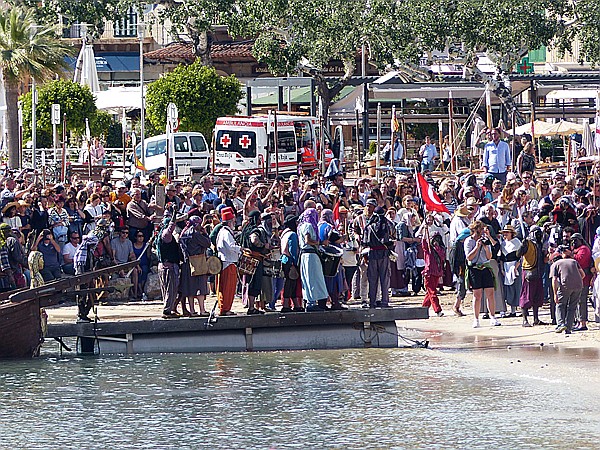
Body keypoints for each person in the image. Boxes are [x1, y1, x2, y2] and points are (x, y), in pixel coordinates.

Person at [464, 220, 501, 328]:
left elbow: (489, 257)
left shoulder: (485, 240)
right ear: (475, 230)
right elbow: (469, 257)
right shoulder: (469, 241)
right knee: (477, 295)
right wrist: (476, 247)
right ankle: (476, 319)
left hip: (485, 267)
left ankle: (493, 316)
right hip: (474, 268)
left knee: (490, 293)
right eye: (480, 230)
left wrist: (485, 247)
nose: (482, 232)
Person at [179, 216, 211, 317]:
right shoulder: (195, 234)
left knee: (189, 288)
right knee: (200, 287)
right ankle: (202, 310)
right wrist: (205, 233)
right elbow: (208, 243)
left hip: (187, 262)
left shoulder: (184, 233)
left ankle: (192, 311)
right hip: (198, 262)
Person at [298, 208, 329, 311]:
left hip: (305, 255)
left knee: (308, 278)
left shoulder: (301, 226)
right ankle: (311, 303)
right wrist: (320, 243)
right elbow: (308, 240)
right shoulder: (308, 226)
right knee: (313, 278)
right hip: (310, 255)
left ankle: (310, 301)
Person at [363, 206, 394, 308]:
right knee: (385, 279)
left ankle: (372, 302)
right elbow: (393, 233)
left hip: (372, 254)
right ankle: (384, 302)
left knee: (372, 280)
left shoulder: (368, 227)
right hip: (384, 254)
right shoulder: (387, 225)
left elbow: (365, 242)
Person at [517, 225, 547, 327]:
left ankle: (536, 319)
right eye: (536, 232)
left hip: (538, 272)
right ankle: (524, 320)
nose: (539, 234)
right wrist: (522, 245)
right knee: (526, 296)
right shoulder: (527, 243)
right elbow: (518, 254)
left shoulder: (540, 244)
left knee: (537, 296)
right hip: (529, 272)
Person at [550, 246, 585, 334]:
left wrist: (555, 294)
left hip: (565, 285)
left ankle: (560, 324)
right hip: (578, 285)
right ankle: (568, 328)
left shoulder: (556, 264)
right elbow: (583, 275)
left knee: (560, 304)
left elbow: (554, 280)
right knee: (572, 307)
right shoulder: (574, 261)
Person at [156, 204, 182, 319]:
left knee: (169, 290)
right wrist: (175, 215)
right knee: (170, 290)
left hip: (165, 266)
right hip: (168, 267)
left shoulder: (160, 233)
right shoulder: (165, 235)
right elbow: (170, 228)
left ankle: (169, 309)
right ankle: (167, 311)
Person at [215, 207, 240, 316]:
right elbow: (231, 247)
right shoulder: (226, 233)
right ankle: (225, 308)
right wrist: (241, 249)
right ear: (229, 222)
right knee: (228, 288)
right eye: (233, 221)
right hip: (229, 262)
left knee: (223, 286)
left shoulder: (222, 232)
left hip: (225, 262)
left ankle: (223, 307)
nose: (234, 222)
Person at [570, 233, 593, 331]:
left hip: (584, 279)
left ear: (581, 240)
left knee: (582, 301)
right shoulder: (575, 250)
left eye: (576, 240)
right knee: (577, 301)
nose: (574, 242)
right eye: (573, 240)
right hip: (576, 279)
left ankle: (583, 323)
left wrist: (570, 254)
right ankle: (578, 322)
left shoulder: (584, 249)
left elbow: (579, 260)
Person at [421, 227, 445, 316]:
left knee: (430, 292)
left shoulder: (441, 249)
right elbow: (423, 243)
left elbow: (442, 257)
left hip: (437, 273)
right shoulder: (428, 250)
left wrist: (437, 248)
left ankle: (423, 309)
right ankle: (438, 310)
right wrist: (424, 231)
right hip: (429, 273)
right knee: (432, 292)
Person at [499, 225, 522, 317]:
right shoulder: (503, 244)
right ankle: (509, 309)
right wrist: (502, 268)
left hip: (514, 266)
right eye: (504, 233)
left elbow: (520, 257)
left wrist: (515, 268)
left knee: (516, 287)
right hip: (506, 267)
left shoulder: (517, 243)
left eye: (507, 233)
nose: (505, 235)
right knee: (508, 288)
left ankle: (515, 309)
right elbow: (501, 258)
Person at [111, 227, 137, 299]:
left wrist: (136, 265)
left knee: (135, 271)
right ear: (120, 233)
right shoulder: (114, 242)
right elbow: (113, 258)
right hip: (117, 264)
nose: (125, 234)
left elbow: (132, 255)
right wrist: (119, 268)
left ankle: (135, 293)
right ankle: (127, 294)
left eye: (126, 233)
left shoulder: (129, 242)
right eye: (123, 232)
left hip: (126, 264)